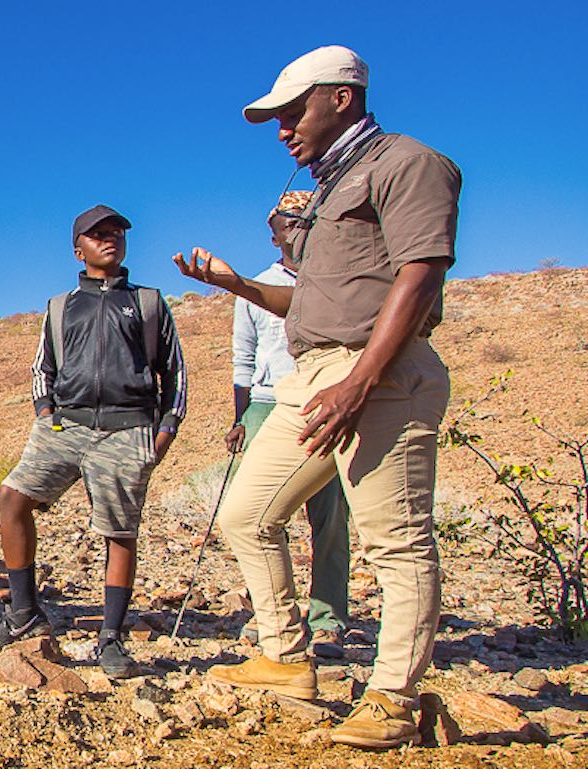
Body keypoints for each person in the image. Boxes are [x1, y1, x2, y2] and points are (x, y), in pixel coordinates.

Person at [175, 45, 460, 749]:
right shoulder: (330, 187)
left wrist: (360, 381)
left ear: (341, 95)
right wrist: (238, 284)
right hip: (309, 375)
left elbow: (419, 278)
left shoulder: (408, 164)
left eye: (290, 111)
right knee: (245, 511)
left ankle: (393, 693)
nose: (281, 130)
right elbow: (308, 297)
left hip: (381, 373)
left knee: (395, 539)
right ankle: (284, 656)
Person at [0, 205, 187, 680]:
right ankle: (24, 611)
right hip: (65, 426)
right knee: (12, 498)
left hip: (127, 427)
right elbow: (42, 368)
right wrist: (45, 413)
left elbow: (174, 372)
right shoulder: (60, 306)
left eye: (116, 233)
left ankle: (110, 639)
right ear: (79, 249)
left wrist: (165, 430)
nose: (109, 239)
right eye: (98, 235)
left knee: (119, 531)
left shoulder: (149, 303)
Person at [226, 190, 351, 647]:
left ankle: (328, 615)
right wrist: (241, 418)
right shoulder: (254, 289)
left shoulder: (337, 282)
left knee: (331, 515)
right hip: (268, 402)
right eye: (289, 220)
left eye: (306, 219)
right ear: (273, 229)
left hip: (328, 400)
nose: (297, 227)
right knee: (254, 512)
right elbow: (244, 359)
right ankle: (271, 612)